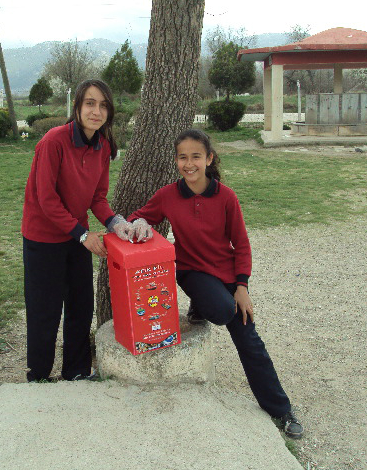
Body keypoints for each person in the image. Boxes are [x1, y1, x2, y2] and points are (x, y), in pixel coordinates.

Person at [123, 129, 304, 439]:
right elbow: (139, 217)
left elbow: (242, 245)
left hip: (228, 275)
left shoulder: (226, 197)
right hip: (192, 271)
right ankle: (204, 302)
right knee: (222, 311)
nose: (189, 163)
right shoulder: (168, 195)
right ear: (176, 161)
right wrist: (139, 224)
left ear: (208, 159)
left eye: (196, 156)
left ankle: (281, 409)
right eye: (183, 157)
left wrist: (242, 287)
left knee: (249, 338)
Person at [21, 79, 131, 383]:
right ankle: (39, 376)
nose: (96, 111)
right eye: (90, 103)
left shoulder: (103, 146)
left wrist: (114, 223)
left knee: (81, 306)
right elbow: (46, 199)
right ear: (78, 107)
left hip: (76, 237)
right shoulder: (53, 142)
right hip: (43, 238)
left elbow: (97, 197)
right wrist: (83, 235)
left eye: (103, 105)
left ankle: (77, 371)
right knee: (45, 310)